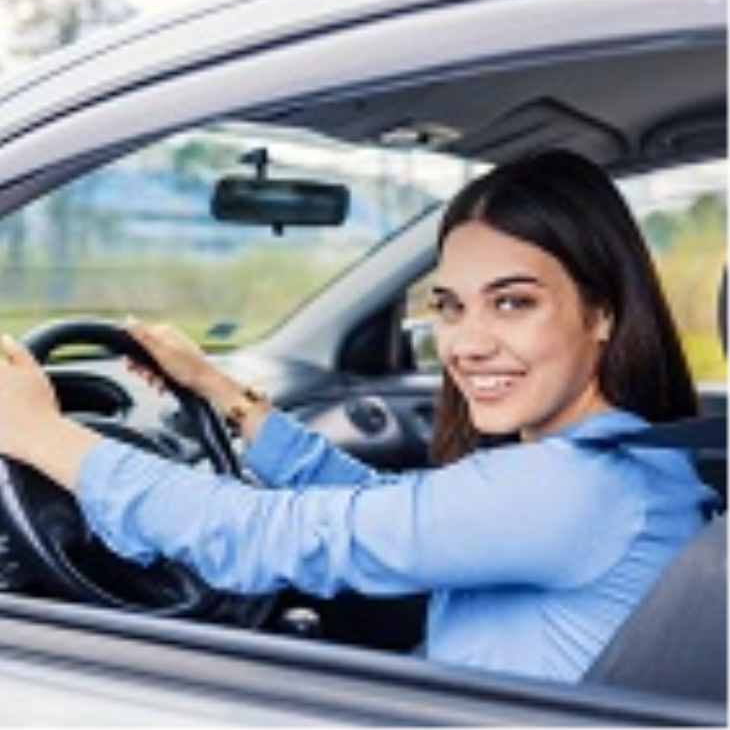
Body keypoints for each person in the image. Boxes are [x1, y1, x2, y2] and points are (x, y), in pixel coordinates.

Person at [0, 149, 717, 683]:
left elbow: (259, 536)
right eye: (449, 305)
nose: (466, 345)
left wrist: (42, 436)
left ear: (602, 314)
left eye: (513, 302)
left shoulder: (571, 491)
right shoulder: (631, 458)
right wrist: (224, 393)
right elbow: (390, 511)